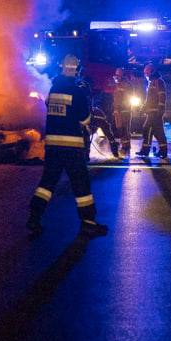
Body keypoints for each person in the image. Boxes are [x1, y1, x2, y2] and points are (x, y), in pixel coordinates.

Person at [27, 54, 108, 238]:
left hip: (53, 146)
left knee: (47, 184)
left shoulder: (54, 89)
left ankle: (34, 217)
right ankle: (88, 223)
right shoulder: (77, 92)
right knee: (81, 184)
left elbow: (50, 108)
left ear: (61, 67)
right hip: (71, 147)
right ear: (77, 70)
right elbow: (85, 119)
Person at [136, 63, 168, 160]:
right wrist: (143, 108)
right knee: (158, 132)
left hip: (155, 112)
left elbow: (162, 97)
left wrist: (160, 110)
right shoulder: (152, 82)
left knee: (147, 129)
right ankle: (163, 151)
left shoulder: (158, 82)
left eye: (147, 73)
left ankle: (146, 151)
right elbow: (148, 99)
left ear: (152, 72)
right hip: (152, 112)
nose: (146, 75)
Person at [89, 75, 120, 158]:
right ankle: (115, 153)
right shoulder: (105, 94)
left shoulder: (100, 94)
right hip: (100, 117)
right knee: (109, 136)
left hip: (95, 117)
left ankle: (85, 155)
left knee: (87, 135)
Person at [111, 68, 134, 156]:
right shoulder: (118, 84)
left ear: (122, 75)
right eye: (116, 75)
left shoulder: (126, 85)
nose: (116, 77)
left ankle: (126, 147)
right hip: (118, 111)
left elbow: (126, 98)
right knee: (119, 128)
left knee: (124, 129)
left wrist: (120, 107)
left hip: (124, 111)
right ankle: (123, 145)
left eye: (118, 75)